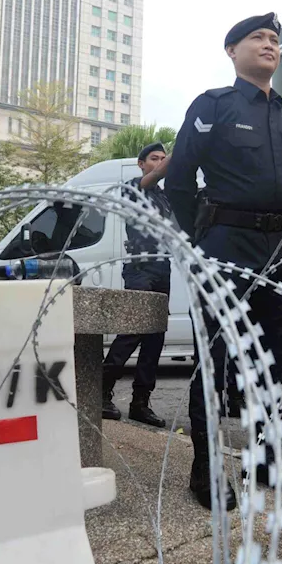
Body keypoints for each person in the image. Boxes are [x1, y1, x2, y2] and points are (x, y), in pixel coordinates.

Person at [165, 12, 282, 509]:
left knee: (275, 360)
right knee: (218, 361)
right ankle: (205, 473)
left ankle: (269, 460)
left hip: (278, 250)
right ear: (232, 50)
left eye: (274, 39)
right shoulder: (215, 106)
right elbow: (178, 179)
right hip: (226, 242)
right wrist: (199, 239)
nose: (269, 44)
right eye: (256, 38)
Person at [100, 142, 172, 428]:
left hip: (161, 268)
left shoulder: (165, 198)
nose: (159, 163)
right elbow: (151, 179)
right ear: (141, 163)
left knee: (155, 337)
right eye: (154, 158)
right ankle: (101, 391)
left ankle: (140, 402)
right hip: (140, 269)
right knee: (132, 331)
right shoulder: (133, 186)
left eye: (164, 159)